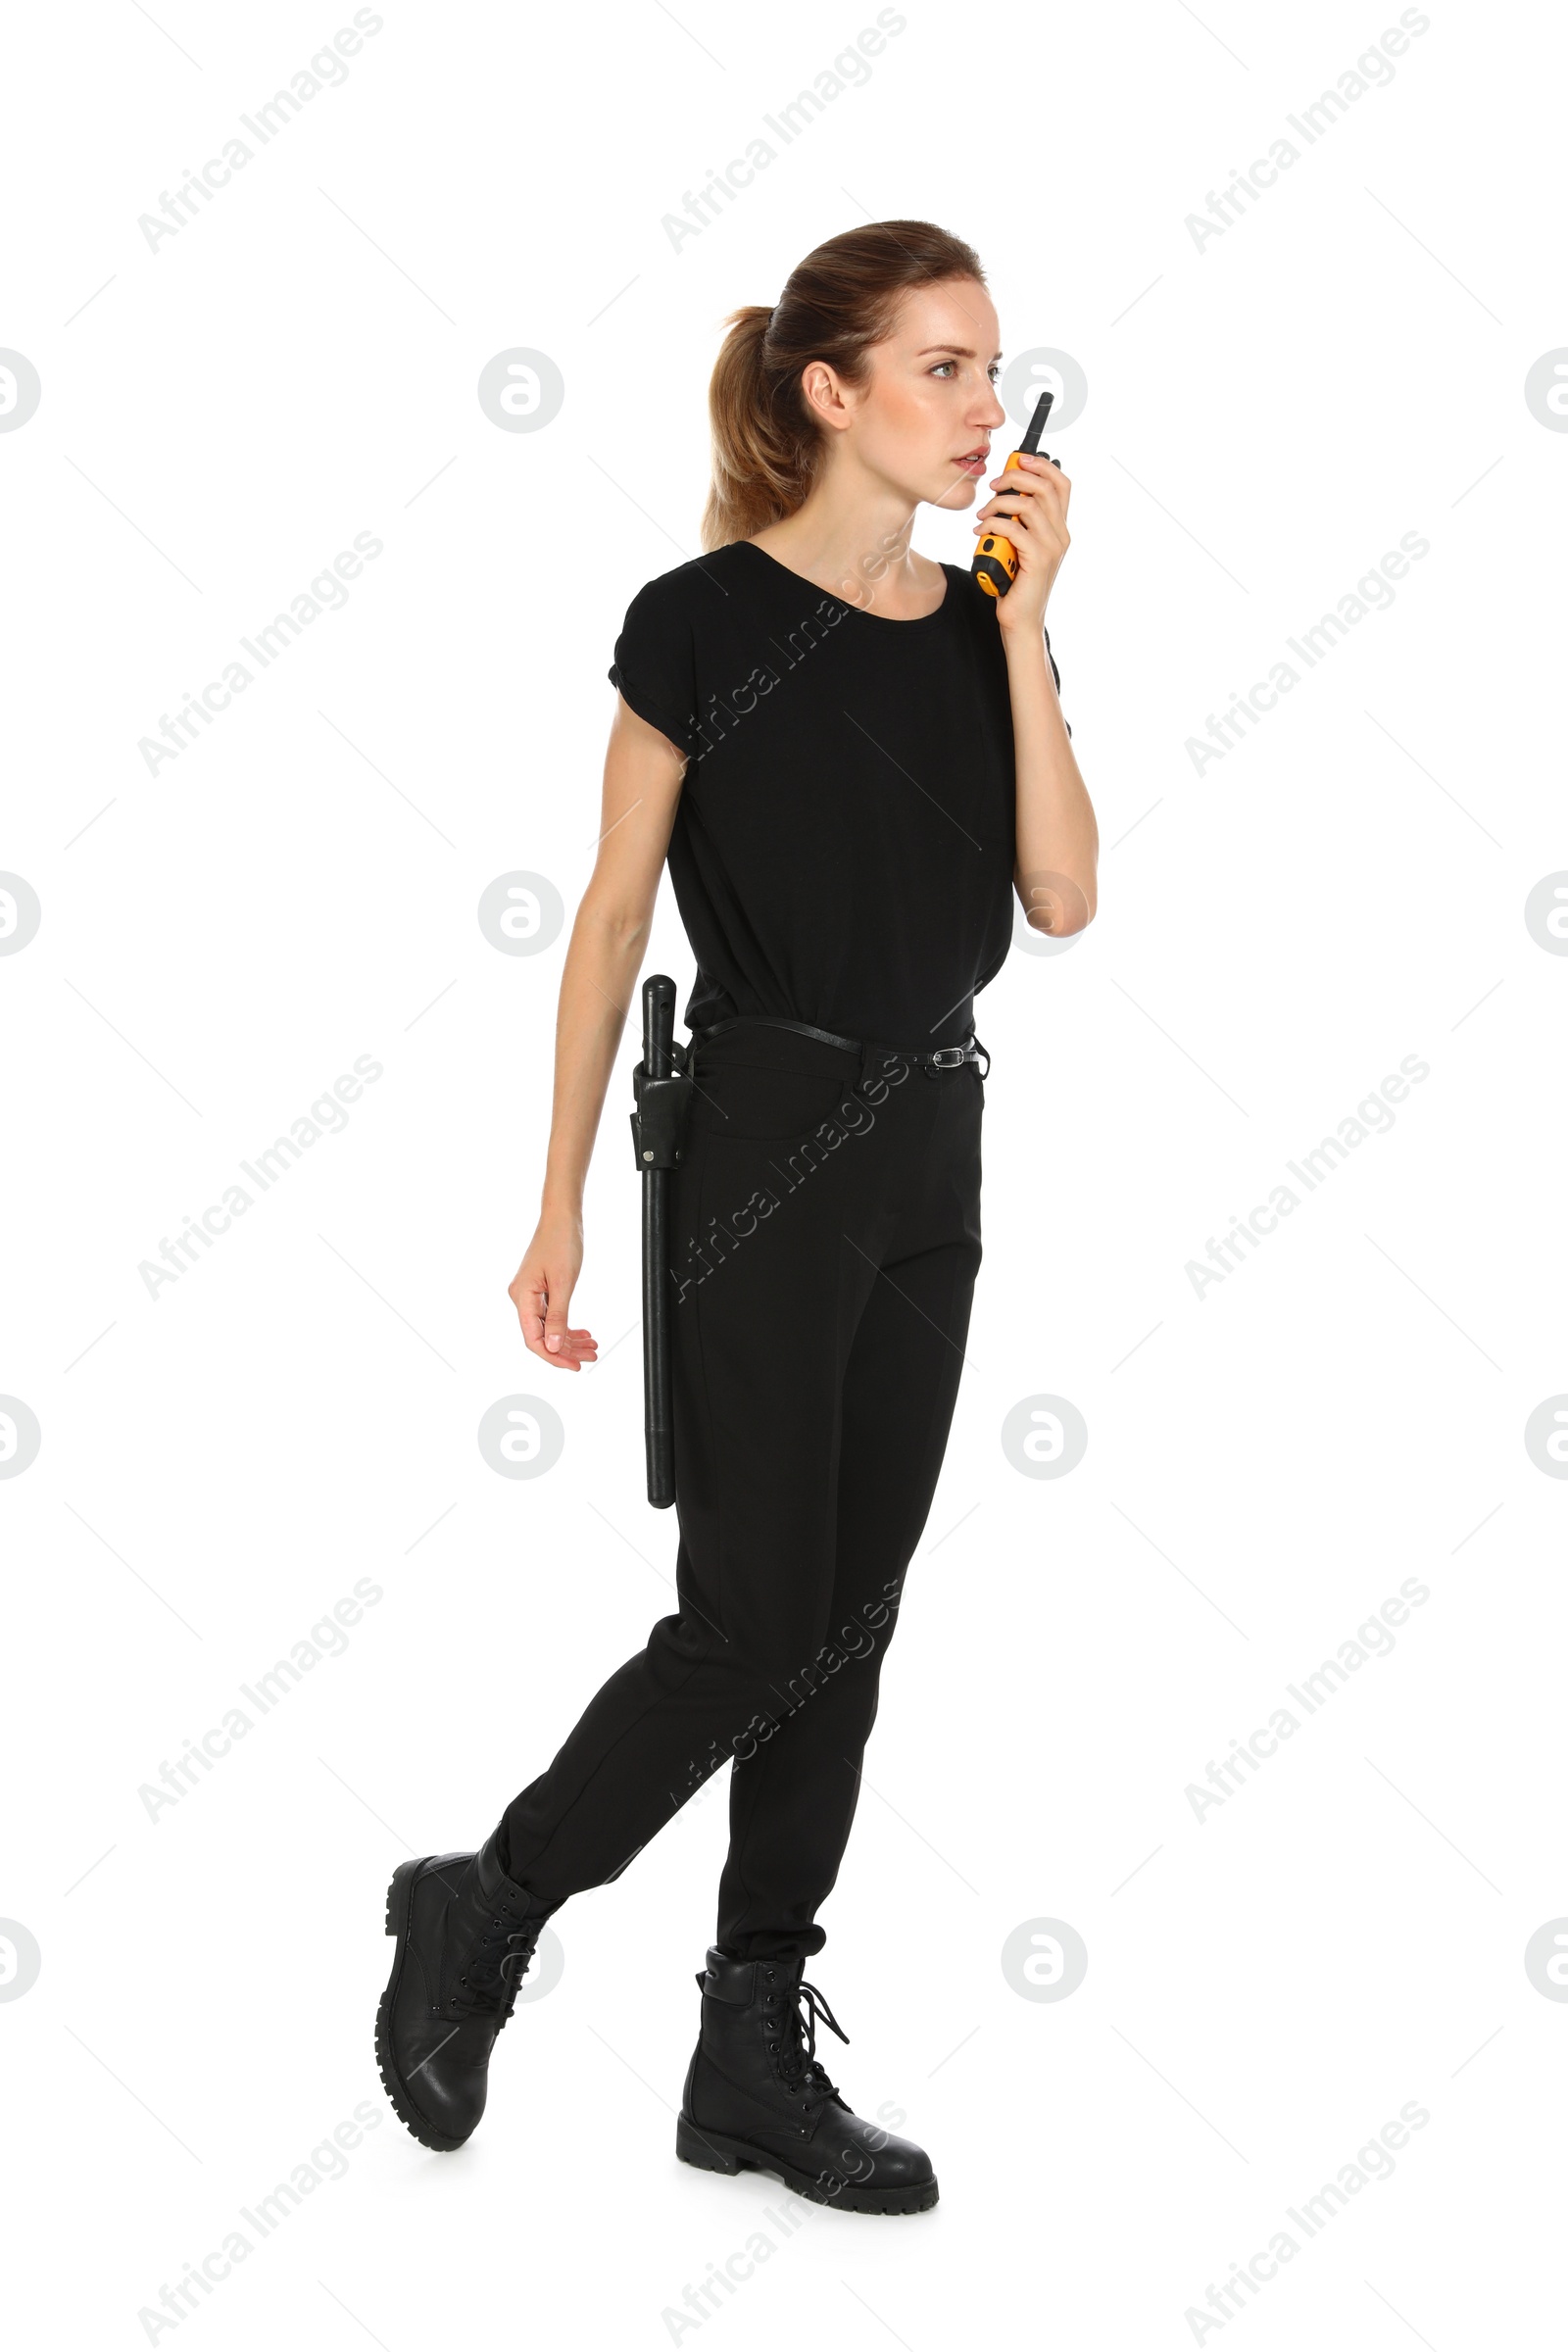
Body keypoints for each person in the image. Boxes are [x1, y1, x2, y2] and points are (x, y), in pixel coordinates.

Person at [375, 219, 1098, 2216]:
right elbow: (607, 916)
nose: (978, 408)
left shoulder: (977, 626)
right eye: (937, 369)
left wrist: (1024, 629)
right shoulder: (694, 623)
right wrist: (553, 1207)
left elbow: (1059, 897)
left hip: (933, 1140)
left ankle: (745, 2051)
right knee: (748, 1624)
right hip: (763, 1133)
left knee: (844, 1632)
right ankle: (490, 1902)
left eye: (991, 371)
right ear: (828, 390)